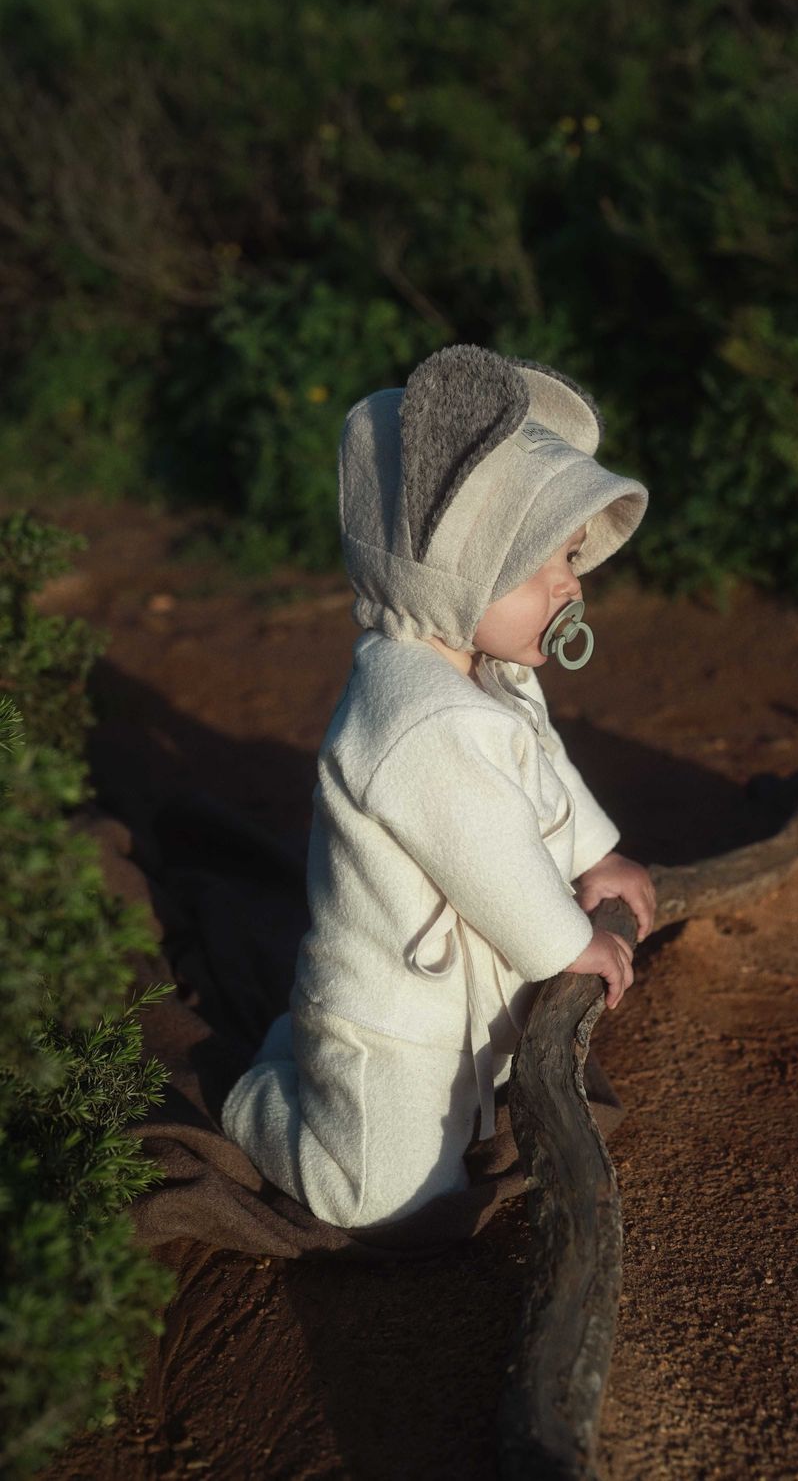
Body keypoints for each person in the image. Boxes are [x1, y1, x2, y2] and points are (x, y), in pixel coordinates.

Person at [221, 344, 656, 1232]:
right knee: (383, 1196)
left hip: (464, 991)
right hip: (390, 1017)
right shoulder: (417, 716)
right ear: (449, 572)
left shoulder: (483, 672)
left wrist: (596, 852)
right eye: (542, 568)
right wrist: (564, 940)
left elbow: (539, 771)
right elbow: (489, 851)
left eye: (570, 557)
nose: (571, 584)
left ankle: (318, 1075)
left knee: (469, 1117)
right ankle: (262, 1098)